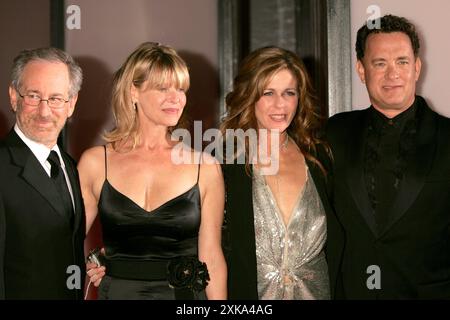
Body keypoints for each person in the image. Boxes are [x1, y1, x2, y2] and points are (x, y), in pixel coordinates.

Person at [78, 42, 227, 299]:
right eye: (162, 88)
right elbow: (65, 243)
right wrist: (91, 260)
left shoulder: (206, 167)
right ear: (133, 92)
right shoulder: (95, 163)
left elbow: (211, 257)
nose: (176, 98)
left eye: (181, 89)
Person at [326, 14, 450, 299]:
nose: (392, 74)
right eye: (379, 63)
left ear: (417, 68)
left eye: (402, 62)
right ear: (361, 69)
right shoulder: (333, 132)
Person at [220, 46, 344, 299]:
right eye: (268, 93)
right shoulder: (224, 163)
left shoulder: (320, 158)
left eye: (289, 92)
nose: (280, 104)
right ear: (249, 96)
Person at [0, 47, 85, 299]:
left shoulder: (69, 166)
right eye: (34, 96)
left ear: (71, 104)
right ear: (14, 97)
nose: (45, 111)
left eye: (56, 99)